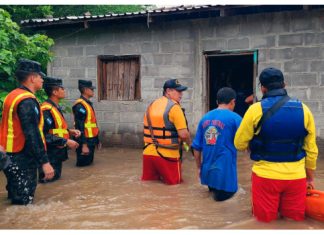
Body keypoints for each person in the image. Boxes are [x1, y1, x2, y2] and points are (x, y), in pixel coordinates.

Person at [234, 67, 318, 222]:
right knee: (293, 223)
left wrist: (251, 144)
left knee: (264, 224)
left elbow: (239, 143)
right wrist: (309, 178)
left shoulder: (255, 110)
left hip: (265, 177)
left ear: (263, 88)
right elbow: (311, 150)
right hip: (296, 178)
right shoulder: (304, 110)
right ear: (284, 84)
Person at [0, 58, 54, 205]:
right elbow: (32, 134)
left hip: (8, 154)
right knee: (24, 202)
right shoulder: (27, 101)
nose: (42, 79)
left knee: (14, 196)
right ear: (32, 78)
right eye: (40, 76)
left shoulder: (12, 95)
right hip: (22, 156)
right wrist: (44, 162)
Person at [191, 87, 242, 201]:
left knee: (212, 203)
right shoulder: (236, 118)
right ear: (233, 102)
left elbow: (196, 147)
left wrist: (199, 168)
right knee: (226, 209)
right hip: (225, 175)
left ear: (217, 102)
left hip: (208, 172)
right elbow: (245, 143)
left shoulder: (205, 118)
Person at [142, 78, 191, 185]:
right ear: (168, 91)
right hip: (168, 155)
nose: (181, 94)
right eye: (178, 91)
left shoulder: (152, 104)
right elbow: (183, 134)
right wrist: (189, 144)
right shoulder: (174, 107)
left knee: (149, 187)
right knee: (174, 188)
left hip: (148, 154)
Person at [39, 76, 80, 183]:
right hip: (50, 154)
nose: (64, 90)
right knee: (48, 183)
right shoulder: (46, 110)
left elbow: (55, 129)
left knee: (55, 182)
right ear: (55, 92)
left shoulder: (55, 107)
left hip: (57, 152)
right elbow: (43, 135)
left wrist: (69, 131)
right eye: (62, 88)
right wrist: (66, 141)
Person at [72, 80, 100, 167]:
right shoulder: (80, 105)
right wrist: (84, 145)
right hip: (84, 141)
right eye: (91, 89)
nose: (93, 91)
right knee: (83, 165)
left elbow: (93, 124)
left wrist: (97, 140)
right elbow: (79, 126)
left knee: (89, 165)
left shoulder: (88, 104)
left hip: (91, 140)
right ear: (85, 90)